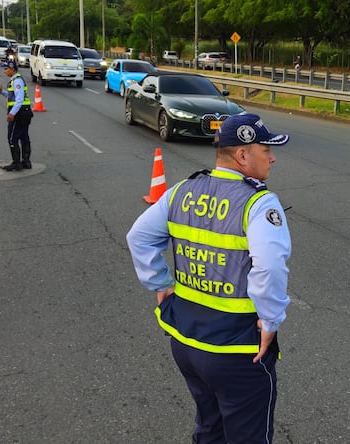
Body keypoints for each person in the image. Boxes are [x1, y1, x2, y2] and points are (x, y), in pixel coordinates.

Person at [126, 113, 292, 443]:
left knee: (210, 427)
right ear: (243, 155)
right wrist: (271, 322)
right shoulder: (258, 203)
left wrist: (160, 283)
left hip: (186, 343)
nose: (272, 157)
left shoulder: (181, 191)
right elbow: (270, 266)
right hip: (236, 349)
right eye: (265, 150)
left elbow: (138, 237)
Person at [0, 60, 33, 171]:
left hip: (20, 113)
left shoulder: (17, 81)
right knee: (23, 136)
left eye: (6, 69)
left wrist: (12, 113)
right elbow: (13, 96)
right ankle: (26, 161)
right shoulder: (16, 80)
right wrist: (2, 92)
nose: (5, 71)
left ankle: (16, 163)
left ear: (13, 69)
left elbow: (19, 99)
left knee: (12, 138)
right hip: (25, 111)